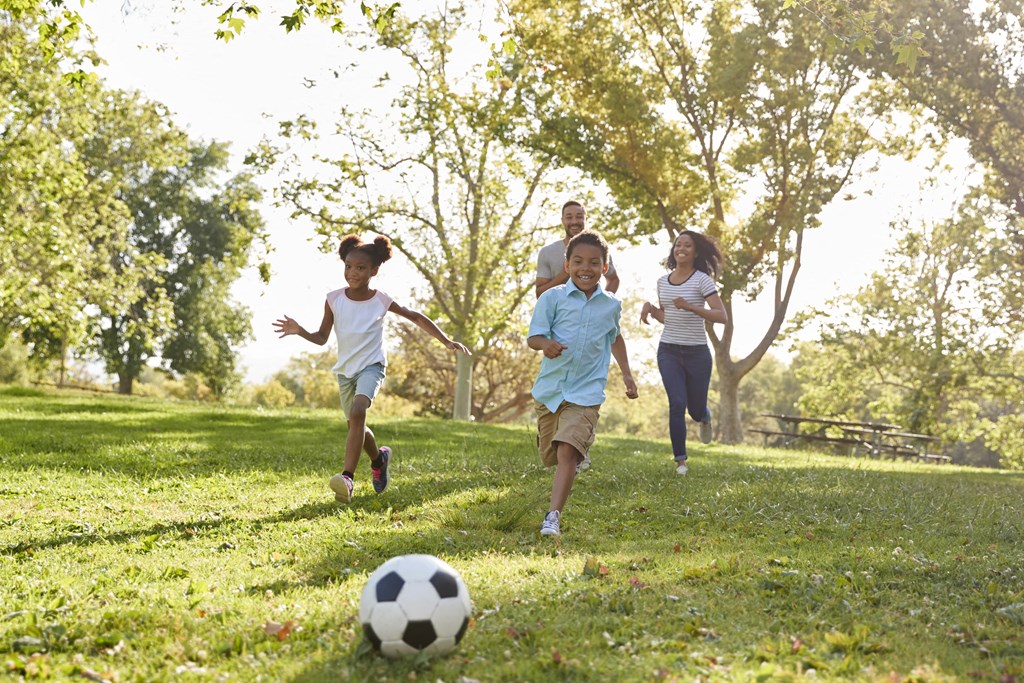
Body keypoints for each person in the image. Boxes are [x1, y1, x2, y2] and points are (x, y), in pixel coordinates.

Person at [273, 234, 470, 503]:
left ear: (374, 271)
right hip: (345, 372)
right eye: (348, 266)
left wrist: (445, 340)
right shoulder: (333, 299)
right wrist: (300, 331)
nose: (352, 273)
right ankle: (379, 459)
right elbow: (321, 338)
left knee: (358, 411)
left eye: (360, 268)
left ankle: (347, 479)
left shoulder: (380, 300)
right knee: (357, 424)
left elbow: (415, 316)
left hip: (372, 367)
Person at [528, 228, 638, 536]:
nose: (585, 269)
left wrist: (627, 374)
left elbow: (615, 337)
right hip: (550, 390)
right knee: (551, 454)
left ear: (604, 267)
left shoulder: (611, 305)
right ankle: (574, 447)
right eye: (578, 262)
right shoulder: (552, 298)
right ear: (567, 265)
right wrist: (545, 345)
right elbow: (534, 336)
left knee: (566, 451)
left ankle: (552, 517)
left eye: (593, 263)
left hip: (587, 391)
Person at [534, 200, 620, 473]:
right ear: (562, 219)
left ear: (585, 218)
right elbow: (540, 291)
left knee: (568, 449)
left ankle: (577, 438)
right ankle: (562, 438)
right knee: (550, 456)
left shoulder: (599, 247)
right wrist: (568, 273)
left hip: (591, 320)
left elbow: (612, 279)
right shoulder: (548, 252)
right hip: (556, 315)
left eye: (579, 216)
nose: (574, 220)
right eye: (569, 216)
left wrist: (602, 305)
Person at [640, 230, 727, 476]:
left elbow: (721, 316)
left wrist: (691, 306)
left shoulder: (702, 280)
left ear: (695, 252)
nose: (682, 248)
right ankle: (681, 461)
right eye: (678, 244)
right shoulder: (662, 281)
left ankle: (705, 416)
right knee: (677, 403)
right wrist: (651, 309)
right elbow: (668, 318)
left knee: (695, 410)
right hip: (669, 350)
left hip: (697, 353)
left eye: (688, 245)